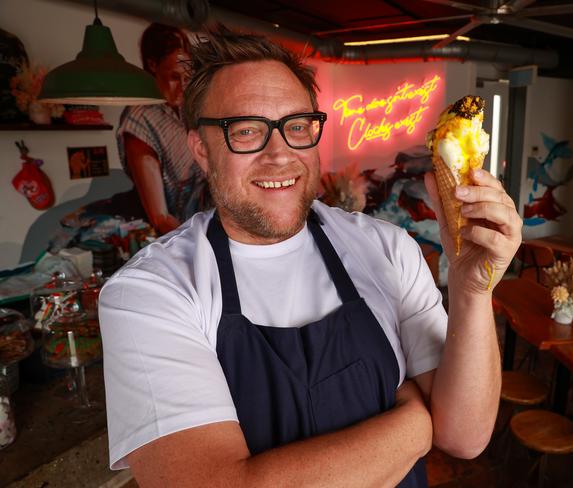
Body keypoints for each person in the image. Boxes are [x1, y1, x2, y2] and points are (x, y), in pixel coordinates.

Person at [99, 28, 522, 487]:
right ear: (201, 149)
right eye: (246, 131)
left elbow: (464, 436)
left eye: (297, 126)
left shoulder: (387, 249)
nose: (280, 155)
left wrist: (471, 291)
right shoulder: (149, 292)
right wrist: (417, 423)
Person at [116, 22, 209, 234]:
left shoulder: (186, 110)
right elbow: (160, 218)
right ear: (152, 65)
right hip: (178, 237)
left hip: (203, 222)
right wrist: (201, 247)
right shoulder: (140, 120)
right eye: (175, 77)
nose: (183, 86)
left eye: (188, 77)